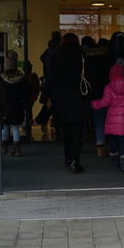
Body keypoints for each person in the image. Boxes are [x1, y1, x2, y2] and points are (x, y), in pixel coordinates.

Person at [40, 32, 89, 172]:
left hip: (61, 98)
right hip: (79, 97)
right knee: (77, 132)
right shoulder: (81, 54)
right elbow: (88, 75)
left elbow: (51, 78)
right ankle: (75, 161)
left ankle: (68, 158)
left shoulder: (57, 54)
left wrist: (44, 97)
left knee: (66, 131)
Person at [92, 63, 124, 172]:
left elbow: (105, 102)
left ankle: (114, 157)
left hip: (112, 120)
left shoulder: (109, 87)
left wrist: (94, 104)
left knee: (113, 140)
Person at [0, 52, 30, 156]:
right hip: (17, 105)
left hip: (5, 105)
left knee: (4, 127)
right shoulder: (20, 78)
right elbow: (25, 93)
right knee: (15, 127)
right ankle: (16, 149)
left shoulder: (1, 78)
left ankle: (4, 147)